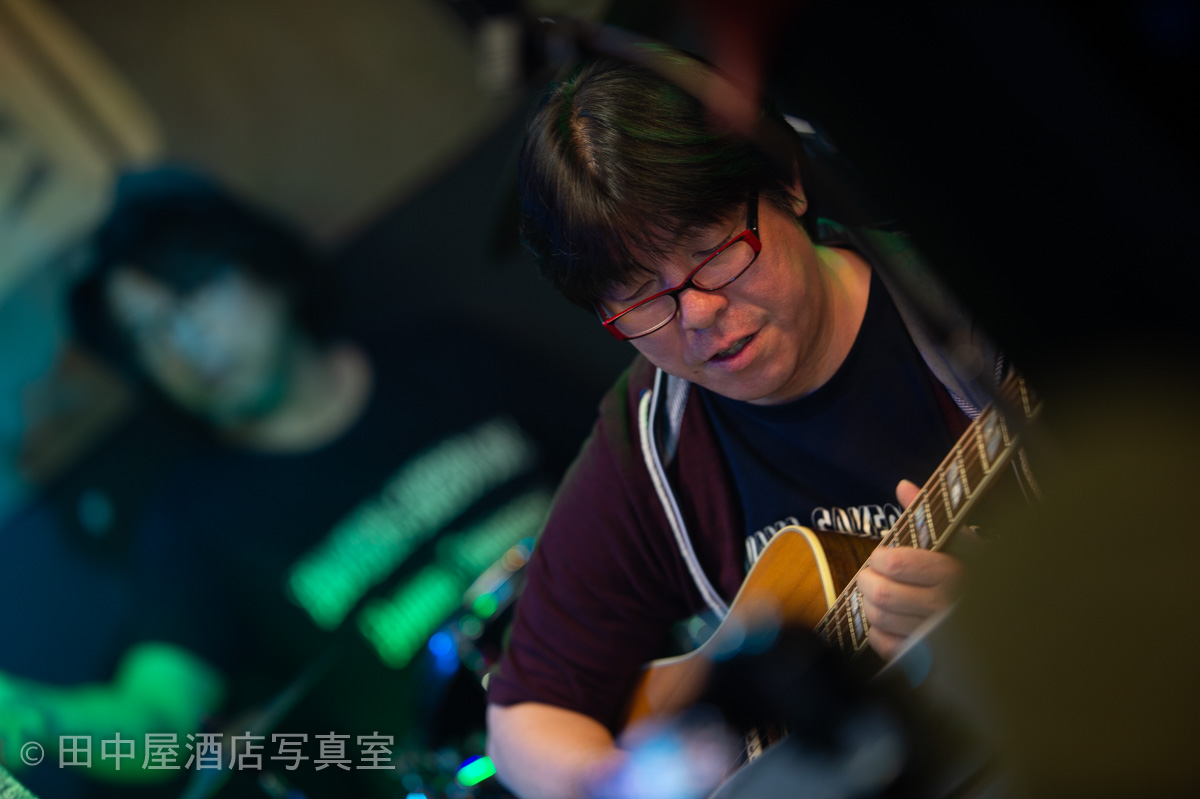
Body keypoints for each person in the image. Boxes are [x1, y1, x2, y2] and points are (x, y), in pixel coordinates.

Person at [483, 46, 1013, 799]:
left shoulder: (971, 303)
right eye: (642, 299)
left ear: (787, 183)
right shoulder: (654, 441)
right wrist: (648, 783)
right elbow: (522, 717)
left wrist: (1004, 605)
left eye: (716, 252)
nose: (698, 315)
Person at [2, 165, 590, 798]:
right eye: (148, 334)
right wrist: (35, 716)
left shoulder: (446, 360)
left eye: (195, 293)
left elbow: (634, 466)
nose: (185, 345)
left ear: (267, 271)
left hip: (633, 650)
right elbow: (159, 723)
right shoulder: (194, 520)